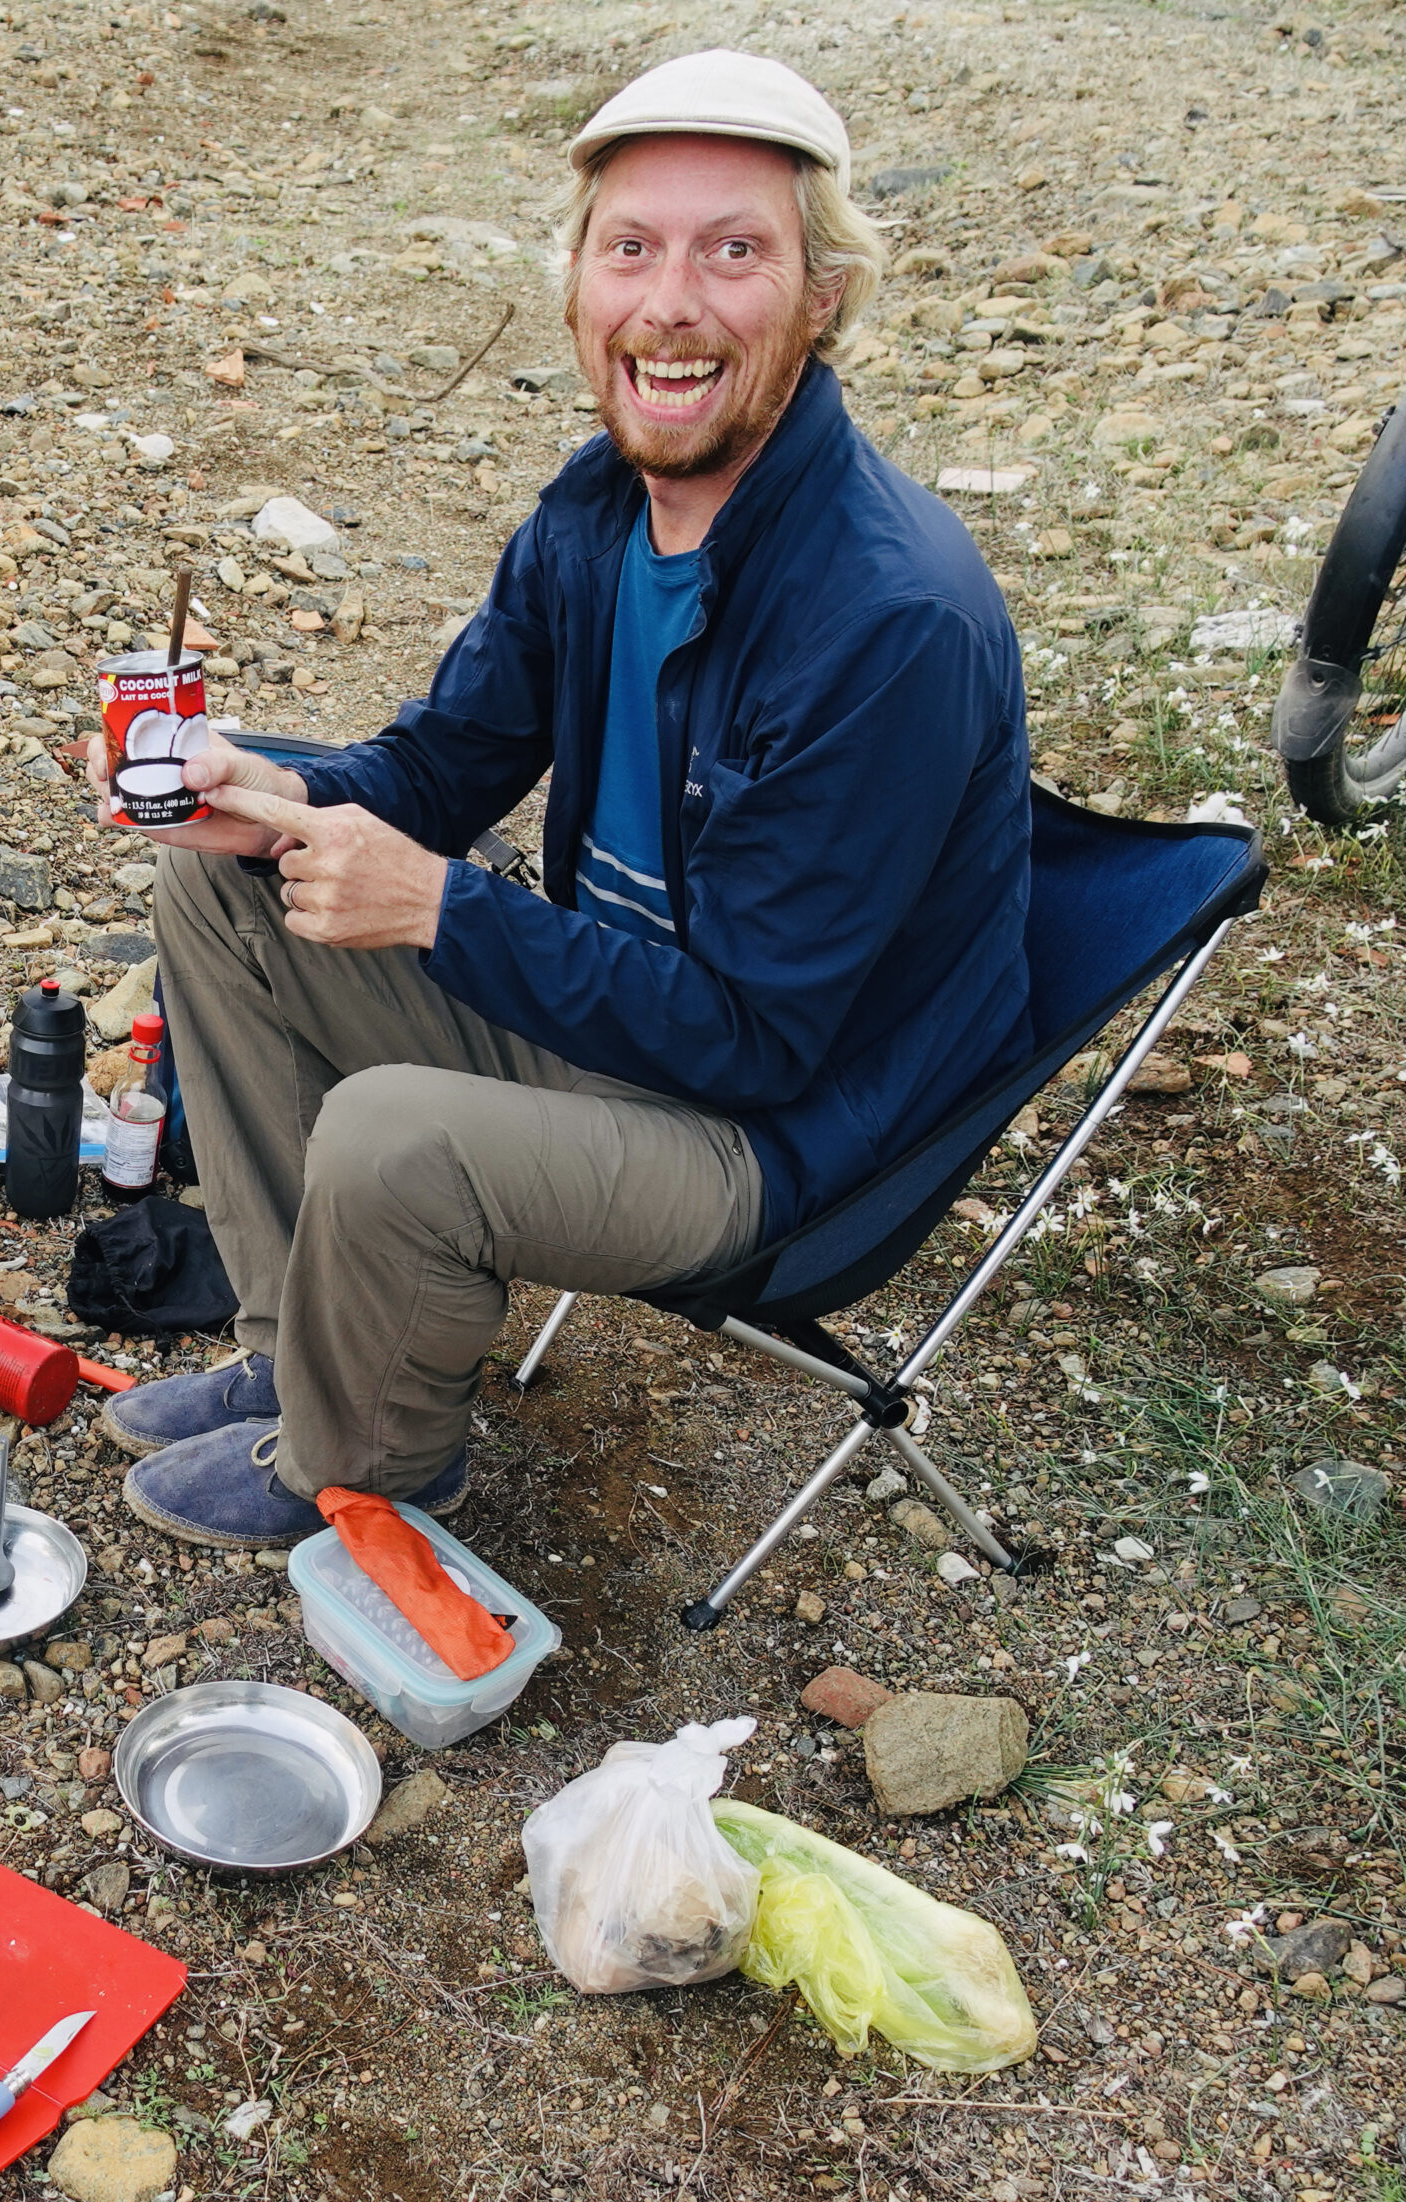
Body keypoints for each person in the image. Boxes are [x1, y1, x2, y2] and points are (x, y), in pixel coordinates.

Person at [90, 48, 1034, 1548]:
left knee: (396, 1137)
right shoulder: (600, 508)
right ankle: (298, 1353)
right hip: (615, 1030)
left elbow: (753, 1034)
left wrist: (441, 909)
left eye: (736, 251)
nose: (671, 302)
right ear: (581, 286)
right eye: (632, 248)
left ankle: (370, 1459)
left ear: (822, 295)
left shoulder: (888, 619)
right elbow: (434, 772)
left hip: (772, 1135)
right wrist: (267, 789)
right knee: (223, 885)